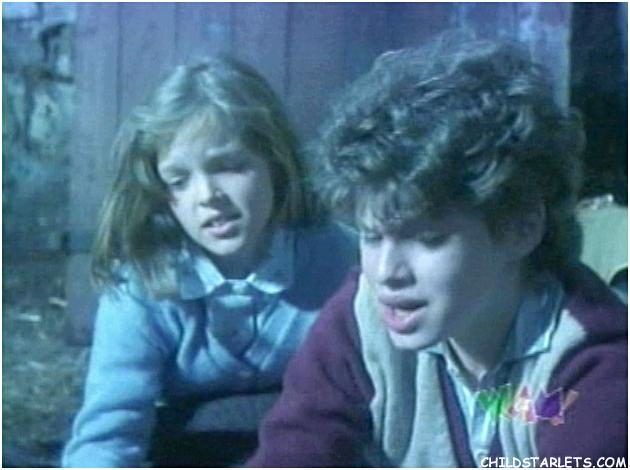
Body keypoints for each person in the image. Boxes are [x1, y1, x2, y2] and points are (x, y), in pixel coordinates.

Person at [247, 33, 627, 467]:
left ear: (521, 227)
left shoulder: (597, 367)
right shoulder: (362, 318)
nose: (387, 272)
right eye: (371, 236)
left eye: (428, 239)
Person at [62, 56, 356, 467]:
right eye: (179, 180)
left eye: (229, 167)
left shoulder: (340, 261)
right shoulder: (143, 285)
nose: (206, 196)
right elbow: (109, 434)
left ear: (275, 163)